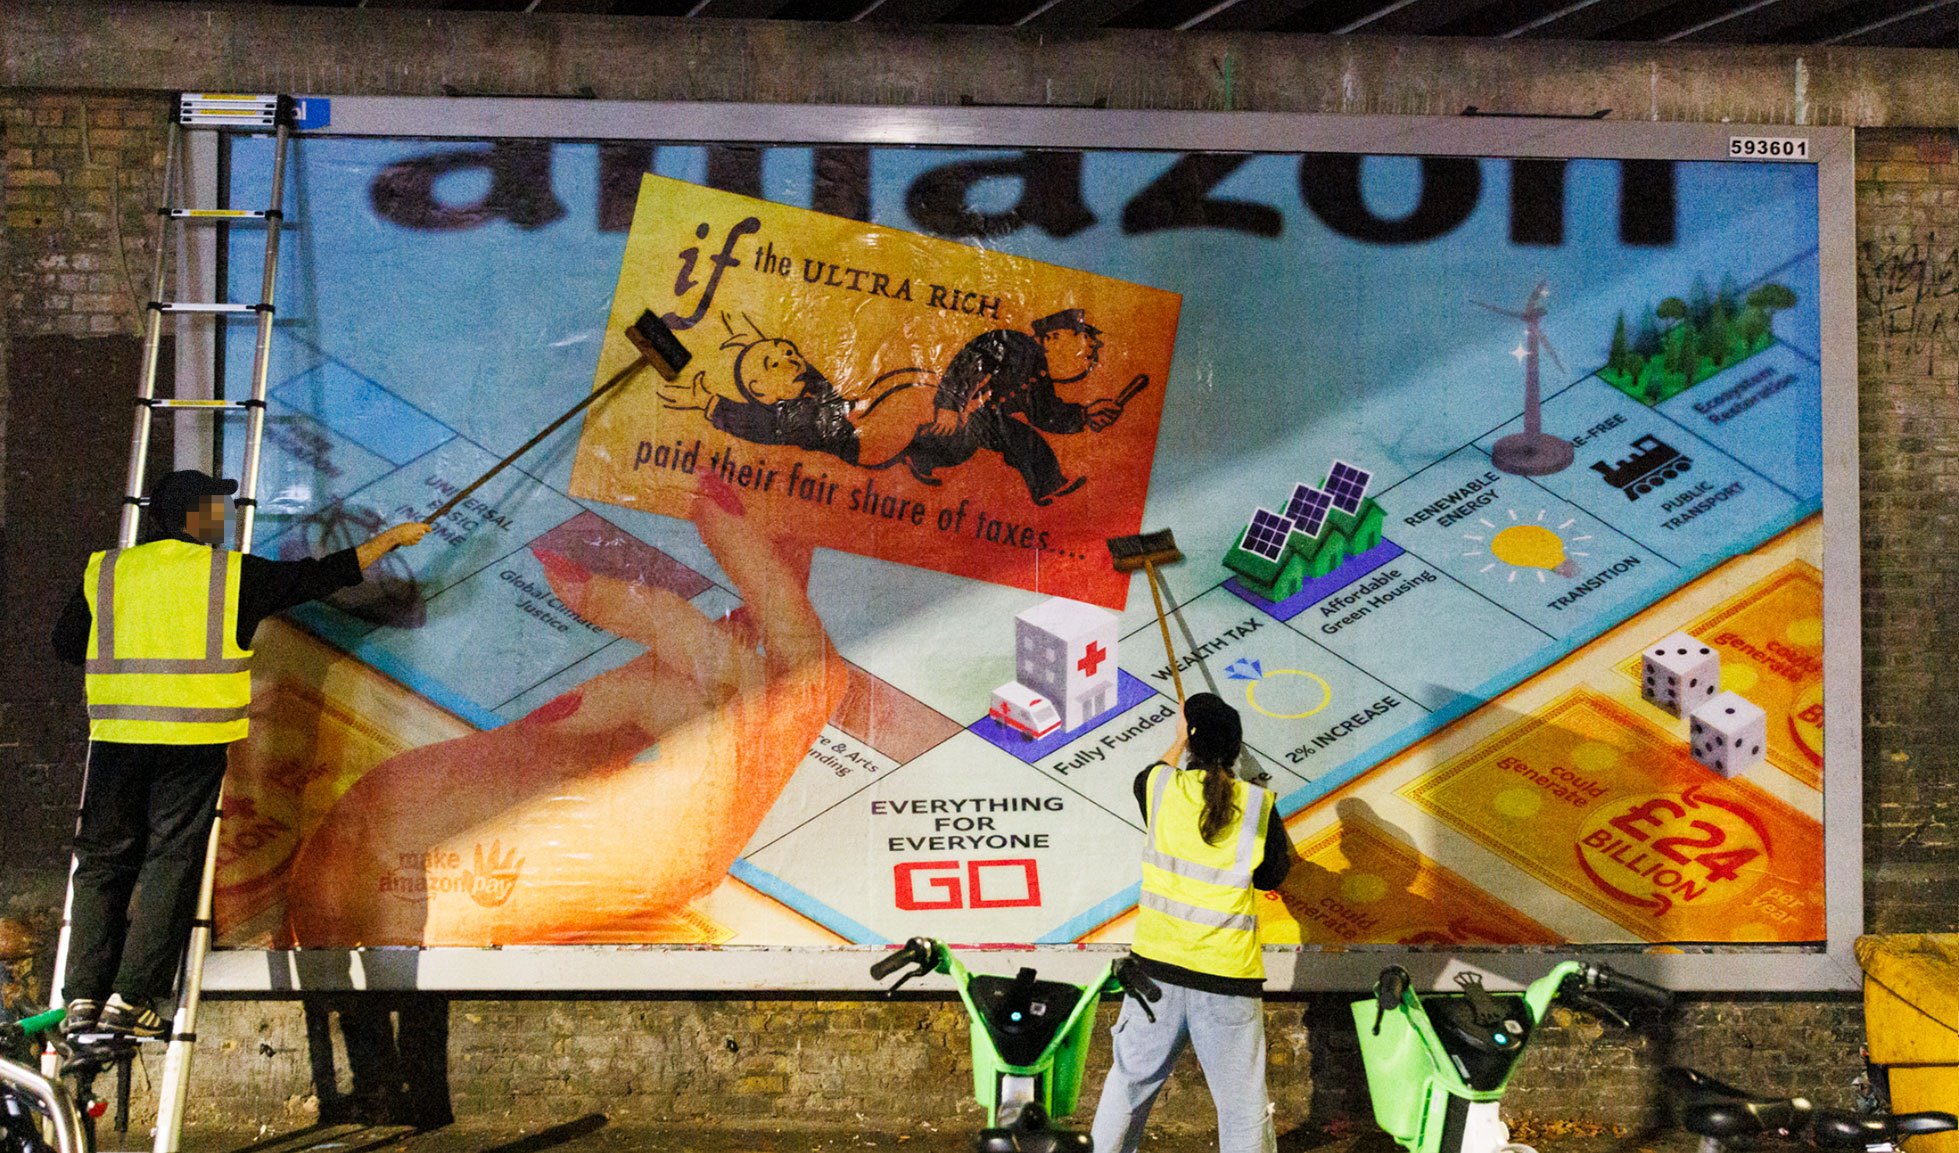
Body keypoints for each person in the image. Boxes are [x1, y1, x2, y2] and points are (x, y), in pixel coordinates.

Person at [49, 469, 430, 1039]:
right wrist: (391, 540)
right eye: (217, 509)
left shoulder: (108, 570)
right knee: (169, 863)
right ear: (195, 516)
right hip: (190, 744)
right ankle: (133, 998)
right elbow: (319, 577)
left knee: (104, 862)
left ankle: (81, 996)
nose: (226, 518)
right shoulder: (229, 576)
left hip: (116, 744)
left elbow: (66, 645)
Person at [1091, 692, 1293, 1153]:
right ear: (1237, 750)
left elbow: (1151, 773)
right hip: (1227, 981)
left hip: (1153, 975)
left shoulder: (1161, 788)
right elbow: (1273, 874)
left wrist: (1178, 740)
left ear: (1190, 743)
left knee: (1127, 1089)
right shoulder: (1257, 805)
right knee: (1242, 1108)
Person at [907, 308, 1125, 504]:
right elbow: (971, 361)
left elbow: (1044, 414)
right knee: (995, 437)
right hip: (972, 412)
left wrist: (1084, 414)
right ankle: (916, 453)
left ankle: (917, 456)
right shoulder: (1016, 343)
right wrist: (949, 406)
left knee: (981, 441)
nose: (1089, 358)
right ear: (1053, 336)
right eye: (1084, 350)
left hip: (984, 417)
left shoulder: (1040, 374)